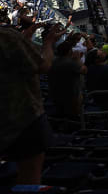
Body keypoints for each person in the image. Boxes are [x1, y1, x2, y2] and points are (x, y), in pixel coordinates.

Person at [0, 20, 63, 186]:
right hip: (21, 118)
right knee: (30, 174)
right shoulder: (6, 36)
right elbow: (43, 65)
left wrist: (26, 36)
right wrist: (48, 43)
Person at [49, 35, 87, 128]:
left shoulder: (53, 60)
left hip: (56, 91)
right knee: (74, 115)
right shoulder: (70, 63)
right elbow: (84, 70)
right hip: (71, 93)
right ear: (69, 51)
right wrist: (77, 60)